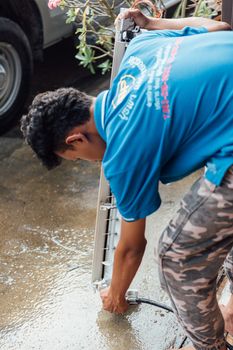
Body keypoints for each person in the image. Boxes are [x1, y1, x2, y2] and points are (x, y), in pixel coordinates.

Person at [21, 8, 233, 350]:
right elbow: (219, 27)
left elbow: (132, 247)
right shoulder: (141, 49)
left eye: (74, 159)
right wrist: (154, 22)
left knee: (177, 256)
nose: (86, 163)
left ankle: (210, 346)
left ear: (75, 139)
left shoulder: (122, 150)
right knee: (213, 221)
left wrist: (116, 296)